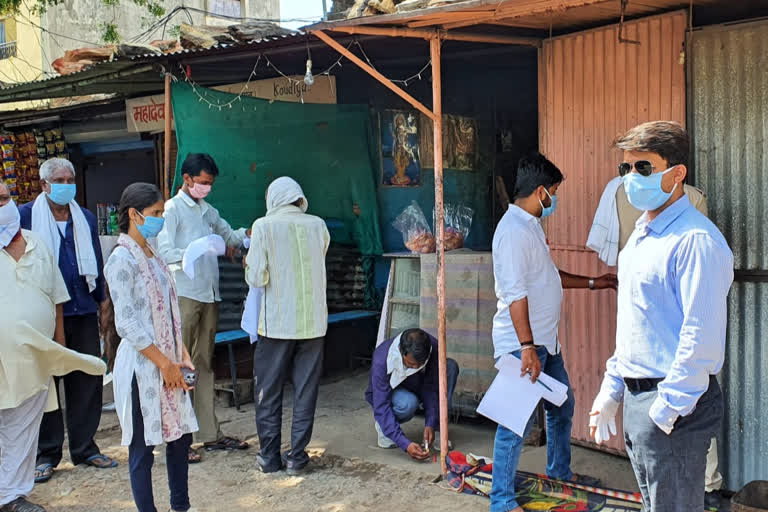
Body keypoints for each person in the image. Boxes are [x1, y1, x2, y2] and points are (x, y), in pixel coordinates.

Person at [588, 121, 733, 512]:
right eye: (626, 169)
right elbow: (636, 325)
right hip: (643, 402)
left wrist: (666, 411)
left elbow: (699, 337)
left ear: (677, 173)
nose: (631, 178)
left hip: (675, 407)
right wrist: (613, 388)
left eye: (644, 168)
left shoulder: (695, 241)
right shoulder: (640, 236)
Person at [490, 153, 617, 512]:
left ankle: (559, 474)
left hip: (547, 341)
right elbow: (515, 293)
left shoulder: (530, 226)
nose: (555, 200)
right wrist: (527, 346)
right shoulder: (512, 233)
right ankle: (501, 502)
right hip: (524, 345)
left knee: (562, 408)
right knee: (513, 422)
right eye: (555, 192)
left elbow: (548, 277)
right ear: (541, 191)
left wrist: (596, 282)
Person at [0, 181, 106, 512]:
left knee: (23, 426)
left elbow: (57, 297)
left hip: (34, 357)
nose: (1, 205)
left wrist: (58, 345)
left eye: (3, 198)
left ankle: (11, 496)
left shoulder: (37, 243)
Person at [17, 158, 116, 483]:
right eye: (59, 179)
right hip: (43, 312)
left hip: (83, 309)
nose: (66, 184)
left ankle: (85, 448)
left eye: (70, 178)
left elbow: (97, 265)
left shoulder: (83, 216)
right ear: (44, 185)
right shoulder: (25, 216)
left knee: (85, 379)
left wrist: (103, 302)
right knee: (46, 385)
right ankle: (47, 453)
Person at [103, 183, 199, 512]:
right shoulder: (120, 260)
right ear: (134, 214)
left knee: (180, 439)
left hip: (168, 360)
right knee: (142, 448)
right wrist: (164, 363)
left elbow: (167, 311)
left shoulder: (153, 254)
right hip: (143, 366)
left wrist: (180, 353)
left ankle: (180, 506)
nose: (159, 220)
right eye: (156, 214)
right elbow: (127, 323)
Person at [157, 153, 250, 462]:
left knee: (204, 365)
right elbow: (164, 251)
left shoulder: (209, 211)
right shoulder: (172, 211)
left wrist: (251, 234)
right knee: (176, 365)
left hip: (210, 295)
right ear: (187, 179)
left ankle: (209, 434)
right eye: (203, 182)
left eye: (210, 183)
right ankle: (176, 439)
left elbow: (230, 236)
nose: (207, 188)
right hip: (184, 292)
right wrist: (194, 250)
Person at [245, 176, 329, 475]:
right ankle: (296, 457)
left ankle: (269, 457)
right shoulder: (318, 225)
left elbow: (257, 278)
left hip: (277, 323)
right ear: (298, 198)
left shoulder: (263, 227)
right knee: (305, 391)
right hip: (313, 324)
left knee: (268, 391)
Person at [366, 329, 459, 460]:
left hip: (418, 385)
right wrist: (405, 444)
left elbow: (431, 386)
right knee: (408, 403)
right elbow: (381, 405)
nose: (415, 367)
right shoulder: (382, 360)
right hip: (394, 392)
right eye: (410, 364)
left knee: (450, 367)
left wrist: (431, 423)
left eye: (420, 364)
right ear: (400, 351)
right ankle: (385, 427)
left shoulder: (433, 346)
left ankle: (438, 429)